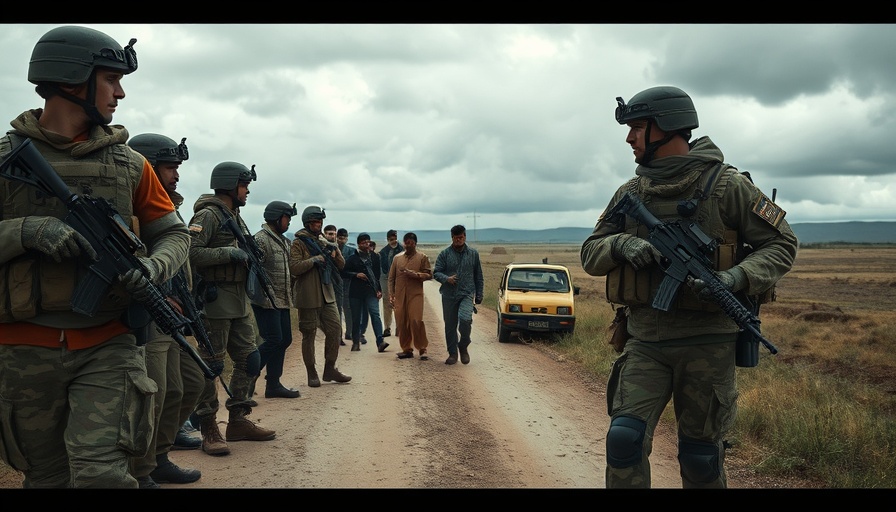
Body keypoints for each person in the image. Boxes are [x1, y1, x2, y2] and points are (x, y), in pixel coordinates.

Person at [0, 26, 191, 488]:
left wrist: (151, 267)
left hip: (108, 345)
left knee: (104, 475)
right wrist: (26, 230)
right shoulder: (6, 159)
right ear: (70, 78)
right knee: (45, 478)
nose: (120, 93)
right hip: (22, 352)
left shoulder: (131, 165)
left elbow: (174, 235)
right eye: (110, 79)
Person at [580, 85, 798, 488]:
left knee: (700, 458)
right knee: (623, 439)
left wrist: (735, 278)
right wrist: (622, 244)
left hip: (708, 343)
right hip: (645, 339)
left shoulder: (728, 186)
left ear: (667, 128)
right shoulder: (631, 192)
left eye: (638, 127)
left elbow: (783, 243)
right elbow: (590, 252)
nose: (629, 138)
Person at [126, 133, 204, 488]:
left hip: (173, 315)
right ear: (145, 166)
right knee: (152, 396)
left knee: (186, 386)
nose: (176, 174)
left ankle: (159, 456)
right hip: (146, 316)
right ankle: (141, 470)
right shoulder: (129, 207)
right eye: (170, 167)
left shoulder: (170, 206)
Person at [188, 161, 276, 457]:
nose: (247, 191)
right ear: (229, 184)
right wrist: (229, 252)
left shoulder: (234, 215)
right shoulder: (208, 214)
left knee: (250, 360)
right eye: (244, 185)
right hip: (215, 301)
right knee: (210, 366)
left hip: (238, 299)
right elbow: (192, 251)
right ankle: (208, 426)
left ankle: (237, 420)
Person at [289, 206, 351, 387]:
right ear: (308, 223)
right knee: (309, 334)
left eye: (320, 222)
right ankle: (311, 372)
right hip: (308, 296)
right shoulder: (298, 242)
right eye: (315, 222)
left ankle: (330, 369)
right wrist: (314, 259)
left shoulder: (323, 241)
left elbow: (341, 265)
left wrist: (334, 249)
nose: (318, 225)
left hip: (327, 294)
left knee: (335, 329)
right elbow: (294, 267)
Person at [252, 201, 301, 399]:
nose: (289, 222)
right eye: (287, 218)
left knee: (284, 339)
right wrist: (263, 294)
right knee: (273, 340)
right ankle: (247, 378)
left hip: (281, 299)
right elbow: (254, 271)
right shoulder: (261, 240)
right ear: (277, 217)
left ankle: (273, 384)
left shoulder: (282, 240)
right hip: (266, 301)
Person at [433, 225, 484, 365]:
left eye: (461, 237)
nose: (458, 240)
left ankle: (464, 344)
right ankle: (453, 354)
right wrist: (446, 279)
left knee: (465, 319)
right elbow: (436, 272)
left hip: (467, 293)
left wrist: (479, 293)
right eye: (456, 238)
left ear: (465, 236)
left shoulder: (473, 254)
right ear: (452, 238)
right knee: (450, 325)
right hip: (449, 295)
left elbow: (478, 275)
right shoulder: (445, 254)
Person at [388, 232, 433, 360]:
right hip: (400, 295)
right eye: (406, 243)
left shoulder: (422, 257)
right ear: (403, 243)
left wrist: (416, 275)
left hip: (416, 294)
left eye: (411, 243)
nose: (408, 246)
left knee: (416, 320)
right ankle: (406, 349)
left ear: (415, 244)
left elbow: (429, 275)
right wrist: (391, 294)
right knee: (401, 322)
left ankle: (422, 349)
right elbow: (391, 279)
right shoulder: (397, 258)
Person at [342, 233, 388, 352]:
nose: (366, 244)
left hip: (371, 291)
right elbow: (344, 272)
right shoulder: (353, 258)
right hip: (355, 292)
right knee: (356, 318)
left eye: (367, 242)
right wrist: (356, 274)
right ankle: (356, 342)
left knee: (375, 314)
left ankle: (380, 341)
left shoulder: (375, 257)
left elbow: (377, 275)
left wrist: (378, 290)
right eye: (363, 242)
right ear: (359, 244)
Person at [378, 229, 402, 338]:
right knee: (387, 302)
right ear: (388, 239)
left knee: (399, 303)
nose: (394, 241)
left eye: (395, 238)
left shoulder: (403, 249)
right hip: (386, 277)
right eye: (391, 239)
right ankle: (387, 328)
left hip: (400, 278)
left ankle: (399, 327)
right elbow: (382, 268)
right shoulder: (383, 252)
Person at [336, 227, 357, 343]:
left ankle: (349, 333)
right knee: (338, 310)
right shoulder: (332, 250)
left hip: (348, 283)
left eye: (344, 238)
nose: (342, 240)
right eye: (340, 238)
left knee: (348, 309)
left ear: (347, 239)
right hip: (336, 283)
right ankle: (339, 336)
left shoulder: (351, 251)